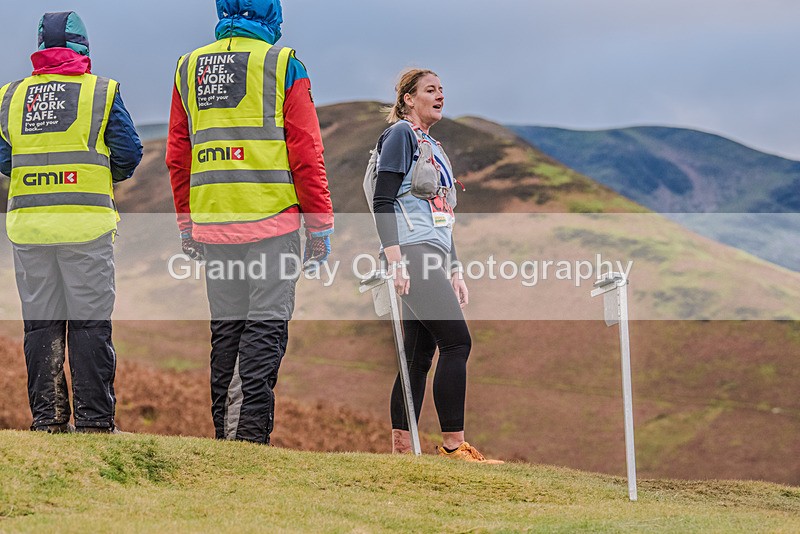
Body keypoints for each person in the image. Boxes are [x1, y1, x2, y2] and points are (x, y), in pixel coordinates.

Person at [166, 0, 334, 445]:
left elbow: (177, 155)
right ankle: (247, 438)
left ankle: (227, 432)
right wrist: (319, 225)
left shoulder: (188, 68)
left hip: (212, 223)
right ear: (271, 14)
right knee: (265, 328)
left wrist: (186, 222)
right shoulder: (283, 64)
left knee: (227, 331)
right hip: (272, 223)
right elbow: (306, 151)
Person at [0, 11, 142, 433]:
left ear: (41, 47)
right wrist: (97, 175)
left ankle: (48, 420)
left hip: (29, 229)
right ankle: (96, 423)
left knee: (40, 325)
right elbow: (129, 152)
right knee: (89, 323)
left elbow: (4, 157)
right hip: (85, 228)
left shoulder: (11, 96)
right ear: (83, 47)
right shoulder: (100, 92)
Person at [372, 69, 503, 463]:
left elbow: (442, 216)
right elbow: (382, 200)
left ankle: (401, 449)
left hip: (432, 253)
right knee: (457, 342)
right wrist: (394, 260)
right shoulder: (401, 135)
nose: (440, 95)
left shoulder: (434, 146)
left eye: (442, 90)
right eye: (431, 90)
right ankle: (452, 446)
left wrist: (456, 269)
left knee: (417, 357)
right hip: (411, 253)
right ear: (409, 99)